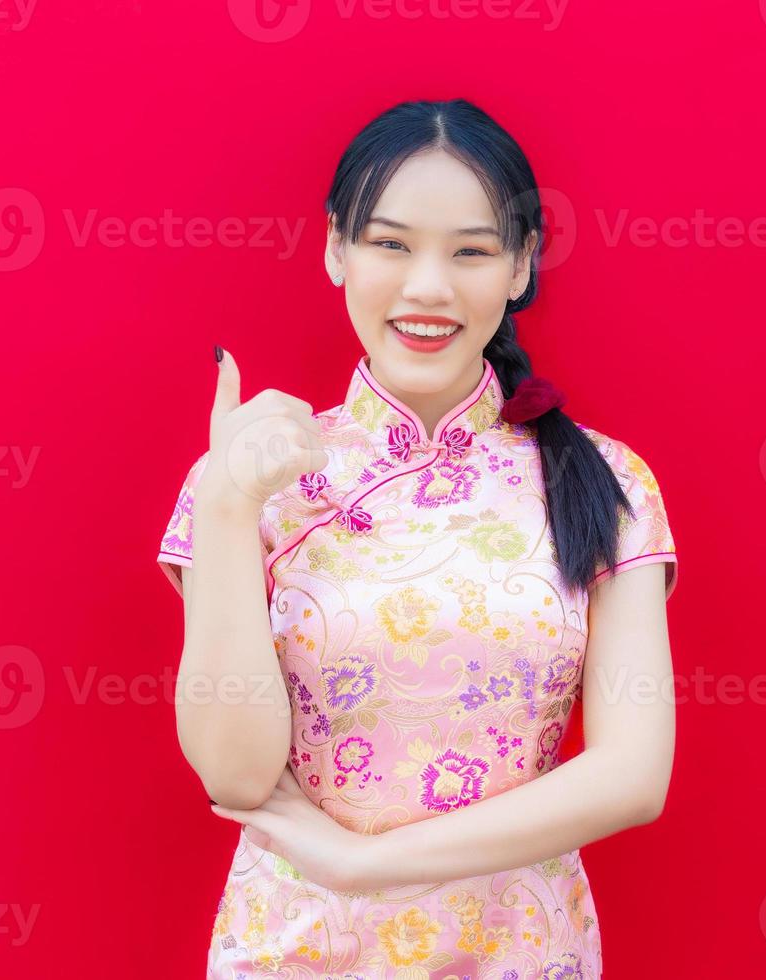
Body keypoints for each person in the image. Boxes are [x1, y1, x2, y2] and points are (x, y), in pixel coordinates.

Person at [155, 98, 680, 977]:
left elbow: (633, 776)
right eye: (391, 244)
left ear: (520, 267)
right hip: (298, 951)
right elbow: (235, 778)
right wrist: (228, 504)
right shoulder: (256, 482)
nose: (428, 287)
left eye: (471, 251)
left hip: (518, 952)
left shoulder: (606, 481)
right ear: (335, 249)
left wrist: (364, 864)